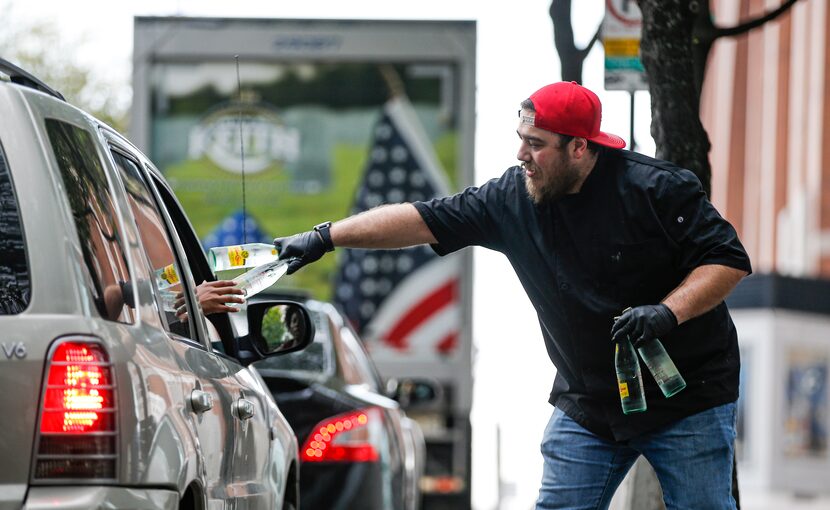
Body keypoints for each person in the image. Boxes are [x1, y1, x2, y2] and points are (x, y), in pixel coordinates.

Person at [274, 81, 751, 509]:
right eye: (521, 139)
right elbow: (418, 219)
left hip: (686, 396)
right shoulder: (510, 198)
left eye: (536, 144)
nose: (521, 154)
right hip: (591, 403)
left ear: (579, 149)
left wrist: (667, 313)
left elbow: (727, 260)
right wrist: (325, 237)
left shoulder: (656, 190)